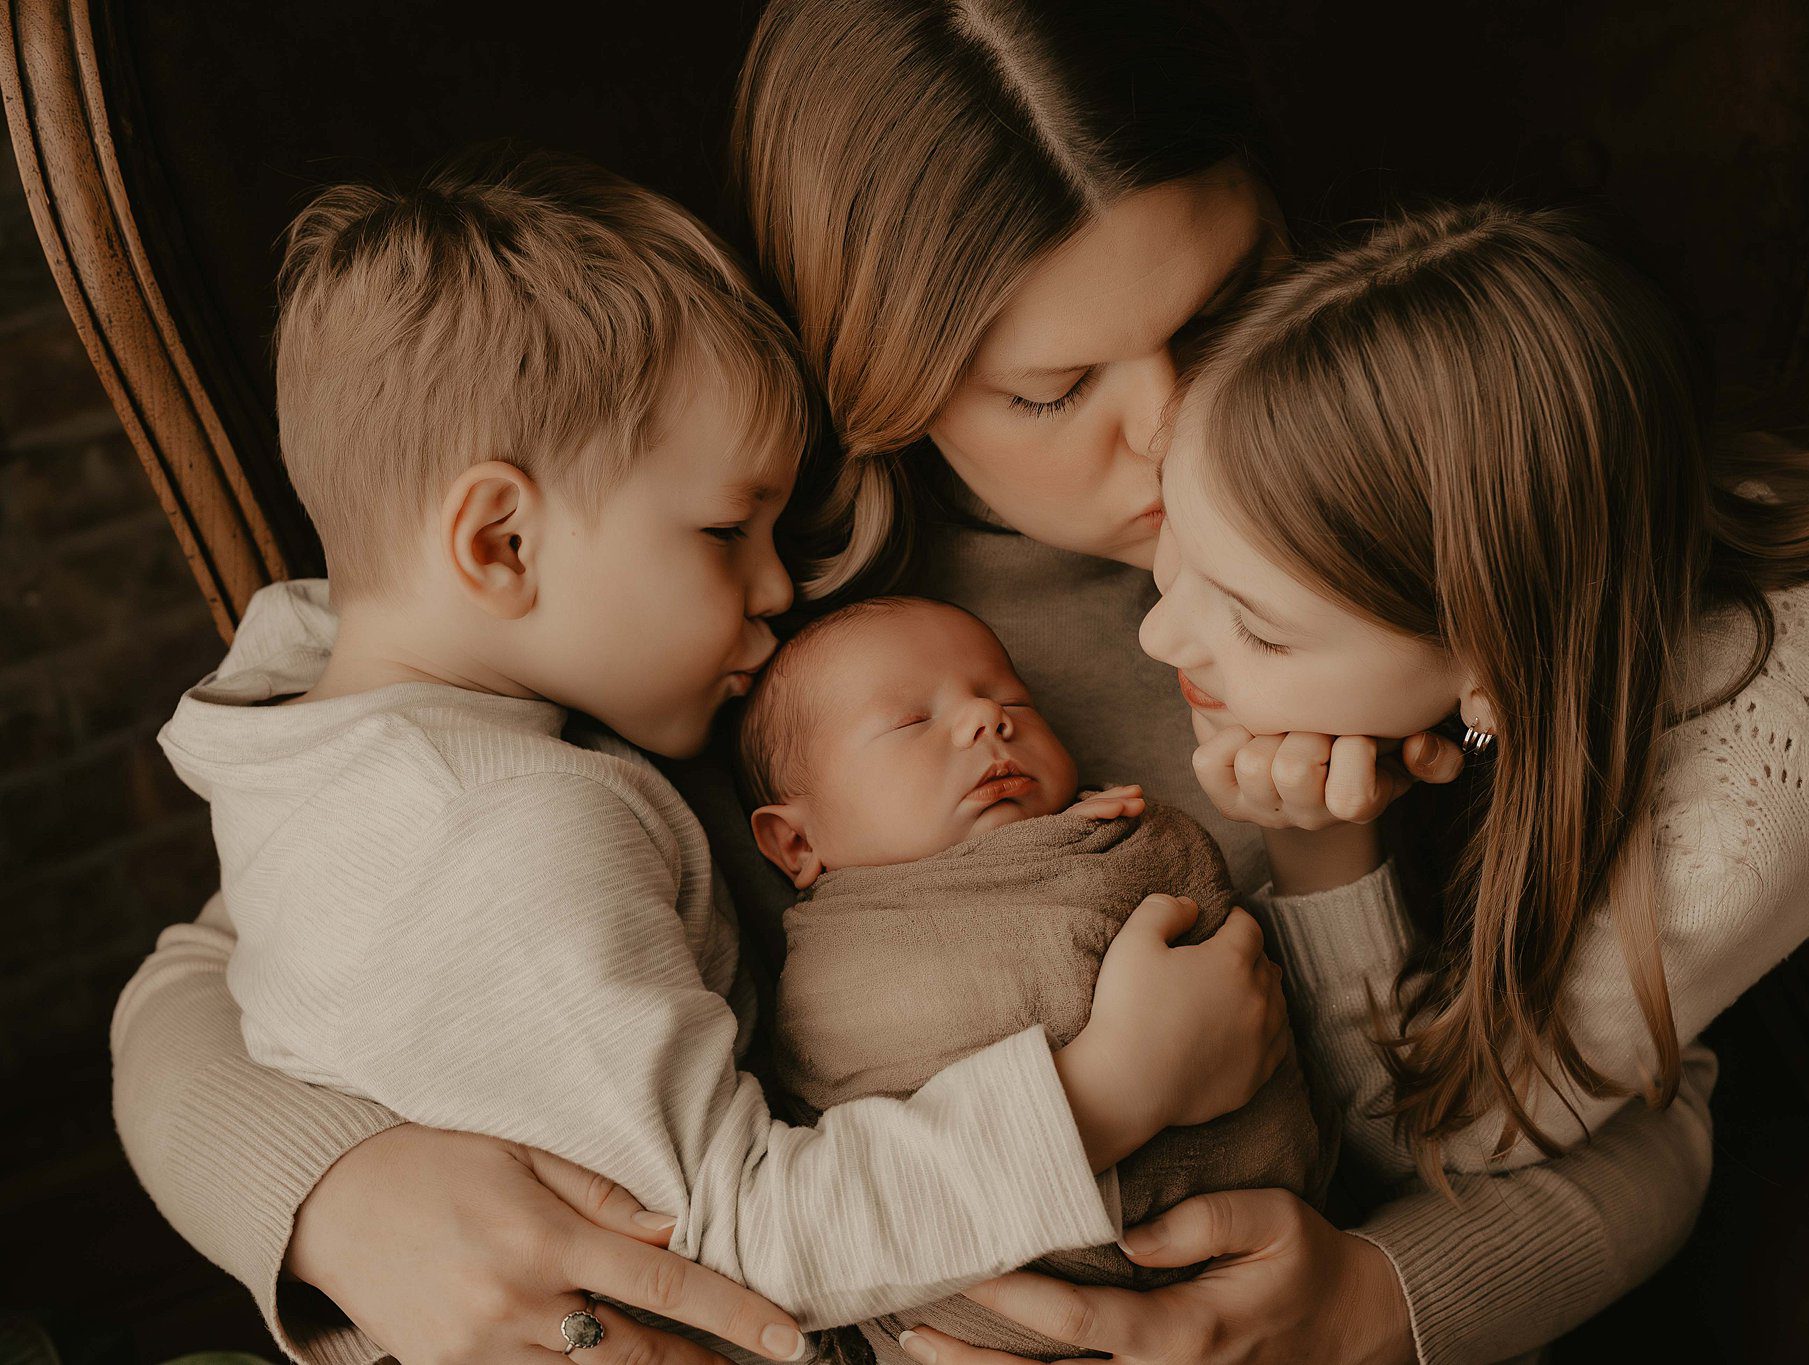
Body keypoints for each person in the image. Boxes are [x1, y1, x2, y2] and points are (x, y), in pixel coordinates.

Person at [110, 5, 1710, 1363]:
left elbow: (1666, 1106)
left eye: (1228, 305)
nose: (1171, 427)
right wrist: (330, 1196)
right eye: (1050, 386)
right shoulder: (710, 629)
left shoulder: (1432, 490)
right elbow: (213, 970)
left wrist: (1385, 1306)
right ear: (883, 370)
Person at [142, 151, 1295, 1362]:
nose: (775, 582)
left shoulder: (334, 728)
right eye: (723, 531)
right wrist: (1108, 1094)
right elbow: (725, 1243)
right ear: (498, 542)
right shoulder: (499, 831)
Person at [1133, 201, 1809, 1270]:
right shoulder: (1593, 511)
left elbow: (1446, 1132)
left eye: (1253, 624)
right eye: (1170, 533)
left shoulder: (1740, 803)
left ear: (1488, 661)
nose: (1159, 632)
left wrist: (1315, 845)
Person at [736, 595, 1324, 1362]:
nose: (988, 717)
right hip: (987, 1315)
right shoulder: (839, 967)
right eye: (911, 720)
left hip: (1275, 1278)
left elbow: (1209, 924)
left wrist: (1106, 845)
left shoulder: (1107, 837)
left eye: (1013, 699)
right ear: (795, 842)